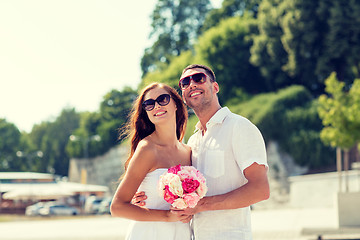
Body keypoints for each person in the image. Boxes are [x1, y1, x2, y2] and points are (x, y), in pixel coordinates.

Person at [133, 64, 270, 240]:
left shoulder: (239, 127)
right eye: (185, 82)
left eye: (198, 78)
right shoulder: (193, 142)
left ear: (215, 87)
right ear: (183, 96)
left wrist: (201, 205)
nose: (192, 84)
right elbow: (182, 195)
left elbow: (260, 189)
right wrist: (147, 198)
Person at [110, 83, 193, 240]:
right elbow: (117, 207)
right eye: (149, 104)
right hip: (149, 234)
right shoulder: (147, 149)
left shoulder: (188, 152)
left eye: (163, 99)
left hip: (181, 233)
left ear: (176, 103)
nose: (156, 106)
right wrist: (167, 216)